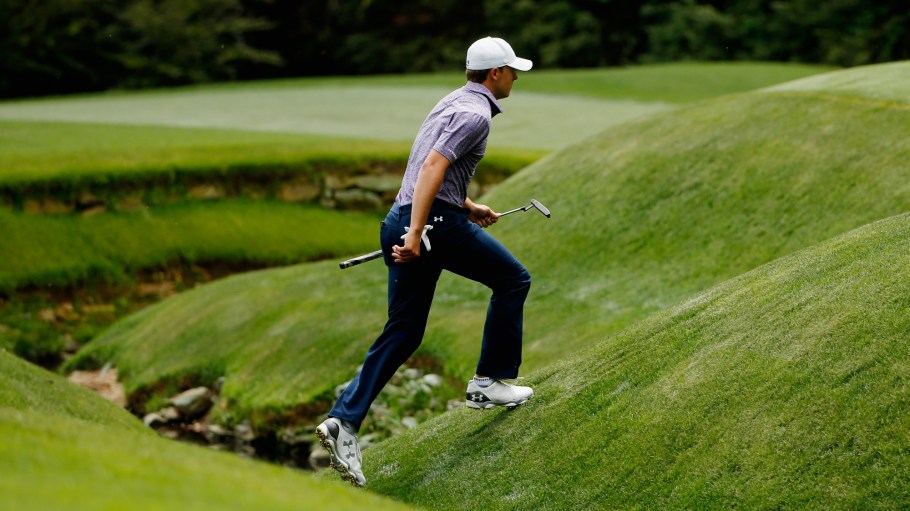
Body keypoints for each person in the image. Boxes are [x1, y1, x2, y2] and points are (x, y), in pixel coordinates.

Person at [316, 36, 535, 487]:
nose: (516, 77)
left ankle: (344, 422)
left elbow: (433, 170)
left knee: (404, 330)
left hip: (404, 217)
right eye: (512, 70)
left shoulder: (452, 101)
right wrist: (418, 234)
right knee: (514, 280)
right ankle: (489, 382)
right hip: (431, 225)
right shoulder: (476, 115)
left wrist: (466, 204)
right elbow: (432, 167)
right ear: (495, 74)